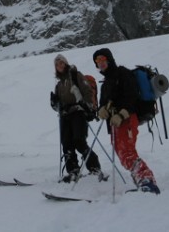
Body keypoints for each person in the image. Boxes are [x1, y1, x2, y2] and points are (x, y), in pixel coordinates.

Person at [93, 48, 160, 194]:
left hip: (126, 119)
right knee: (123, 154)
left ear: (109, 59)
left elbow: (132, 97)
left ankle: (147, 181)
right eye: (97, 61)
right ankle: (141, 180)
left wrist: (122, 115)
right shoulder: (105, 83)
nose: (101, 63)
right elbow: (102, 103)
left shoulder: (123, 74)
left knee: (127, 152)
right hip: (114, 124)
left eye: (103, 59)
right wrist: (101, 110)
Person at [50, 54, 103, 182]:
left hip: (78, 112)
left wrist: (87, 106)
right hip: (65, 115)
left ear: (66, 63)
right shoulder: (59, 84)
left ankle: (95, 167)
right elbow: (58, 105)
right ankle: (73, 171)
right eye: (57, 64)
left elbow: (87, 91)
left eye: (61, 63)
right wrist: (55, 104)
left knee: (79, 141)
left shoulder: (75, 75)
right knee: (67, 144)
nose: (59, 66)